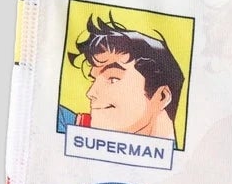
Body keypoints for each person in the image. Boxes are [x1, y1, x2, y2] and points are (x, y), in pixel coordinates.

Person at [57, 14, 185, 141]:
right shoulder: (66, 124)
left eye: (112, 79)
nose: (90, 93)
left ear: (162, 96)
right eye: (94, 79)